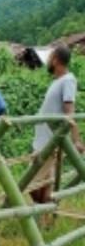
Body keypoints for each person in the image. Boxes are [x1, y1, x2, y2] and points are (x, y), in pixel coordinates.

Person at [31, 45, 84, 203]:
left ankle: (46, 206)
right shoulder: (57, 81)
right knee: (45, 184)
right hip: (42, 139)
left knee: (31, 185)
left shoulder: (68, 80)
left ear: (55, 60)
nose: (47, 60)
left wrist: (76, 139)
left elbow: (69, 111)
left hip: (49, 141)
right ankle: (46, 211)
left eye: (50, 57)